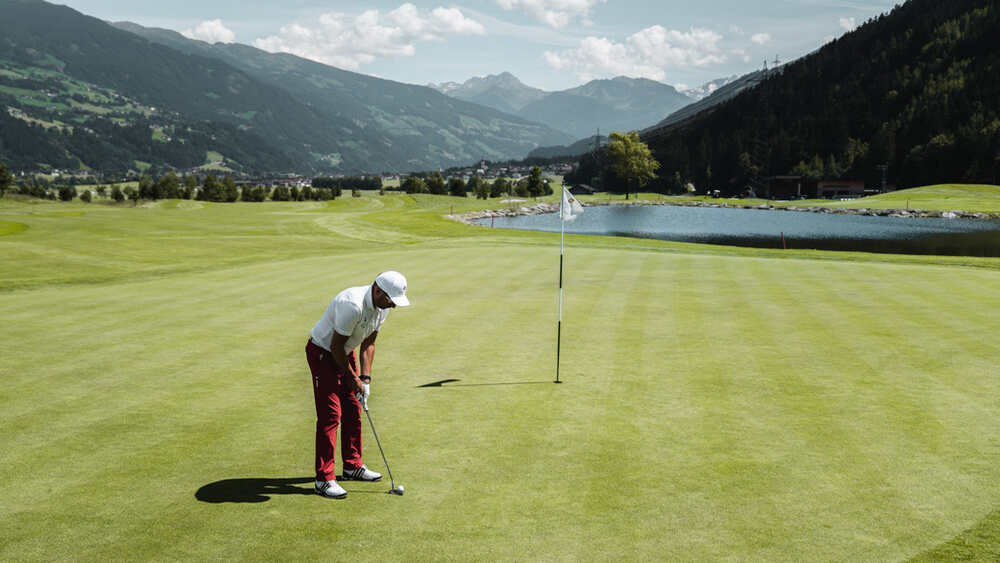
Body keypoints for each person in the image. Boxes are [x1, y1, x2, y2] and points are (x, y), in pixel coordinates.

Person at [305, 271, 410, 499]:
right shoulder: (352, 304)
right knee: (331, 415)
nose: (392, 306)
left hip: (343, 351)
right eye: (390, 300)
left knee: (353, 407)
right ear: (378, 290)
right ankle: (323, 479)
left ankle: (352, 465)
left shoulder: (382, 308)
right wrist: (352, 378)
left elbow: (369, 343)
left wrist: (365, 379)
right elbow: (335, 347)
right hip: (323, 353)